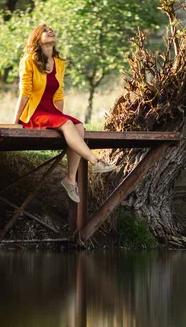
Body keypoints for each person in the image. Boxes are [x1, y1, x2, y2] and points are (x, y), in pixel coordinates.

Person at [13, 23, 116, 204]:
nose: (50, 31)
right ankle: (95, 161)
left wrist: (59, 119)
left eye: (52, 30)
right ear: (37, 38)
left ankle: (70, 179)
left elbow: (59, 93)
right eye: (45, 31)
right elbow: (25, 93)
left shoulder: (59, 63)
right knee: (68, 124)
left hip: (50, 111)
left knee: (78, 126)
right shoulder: (29, 60)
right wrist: (15, 122)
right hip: (34, 113)